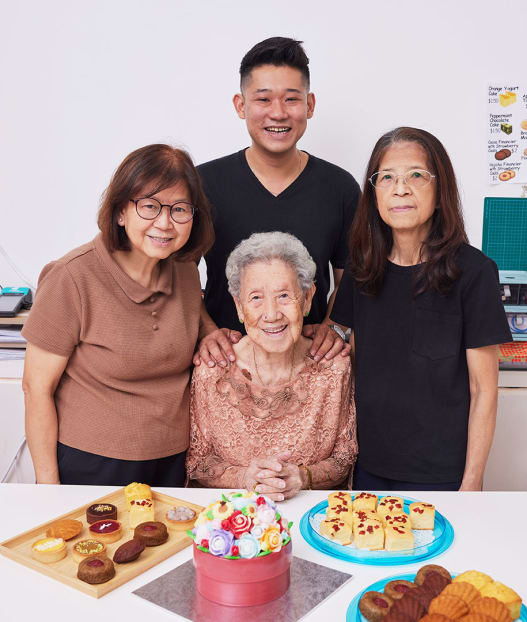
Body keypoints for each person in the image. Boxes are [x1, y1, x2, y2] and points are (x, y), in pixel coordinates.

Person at [330, 127, 512, 491]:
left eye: (416, 175)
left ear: (440, 190)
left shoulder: (474, 273)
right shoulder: (361, 269)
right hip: (369, 468)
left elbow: (484, 389)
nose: (401, 188)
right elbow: (346, 357)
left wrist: (472, 480)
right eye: (387, 178)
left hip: (444, 475)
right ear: (374, 193)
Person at [21, 144, 215, 486]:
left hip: (172, 463)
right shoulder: (72, 276)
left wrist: (212, 332)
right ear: (120, 212)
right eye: (150, 206)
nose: (165, 223)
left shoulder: (186, 272)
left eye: (179, 209)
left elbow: (192, 320)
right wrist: (47, 489)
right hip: (90, 465)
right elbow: (36, 388)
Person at [194, 36, 357, 369]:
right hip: (223, 367)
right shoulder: (202, 183)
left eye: (291, 99)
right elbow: (175, 273)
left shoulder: (339, 186)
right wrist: (206, 331)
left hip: (309, 370)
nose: (278, 113)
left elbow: (353, 278)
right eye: (264, 99)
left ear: (310, 105)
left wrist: (334, 326)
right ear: (241, 105)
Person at [186, 232, 356, 500]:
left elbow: (344, 460)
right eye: (255, 298)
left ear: (308, 298)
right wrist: (246, 478)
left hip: (311, 518)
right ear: (239, 307)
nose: (272, 313)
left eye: (285, 295)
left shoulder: (333, 367)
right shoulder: (213, 369)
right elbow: (198, 463)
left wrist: (301, 477)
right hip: (230, 520)